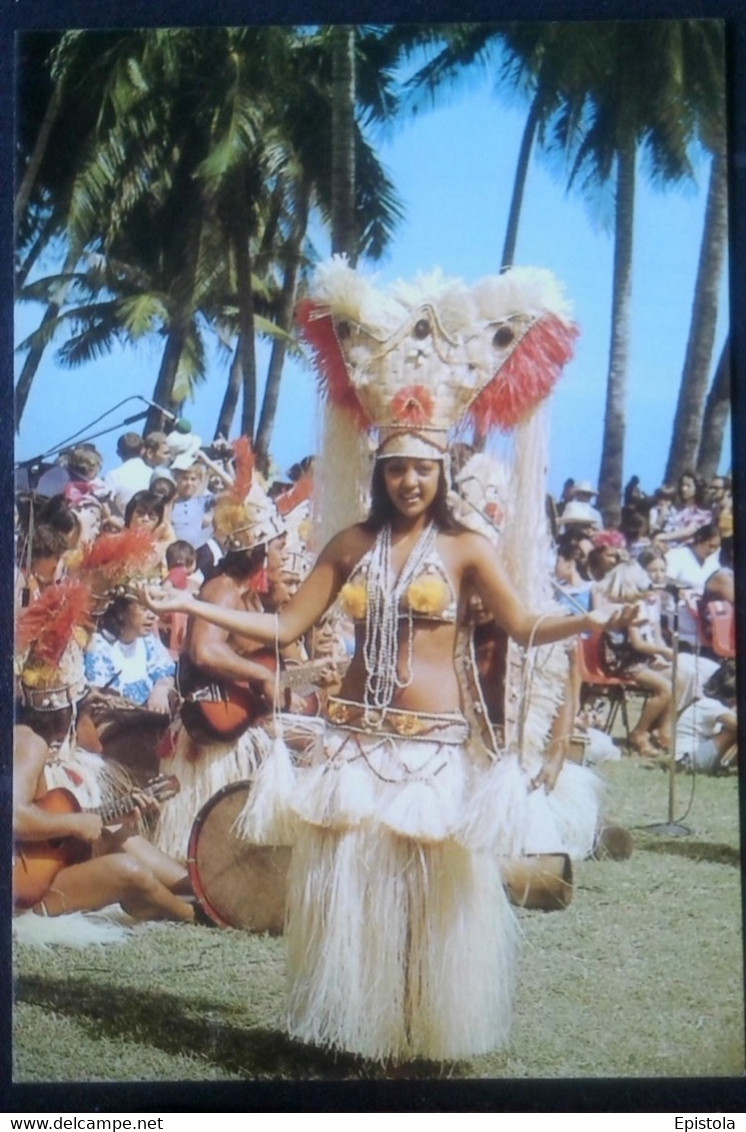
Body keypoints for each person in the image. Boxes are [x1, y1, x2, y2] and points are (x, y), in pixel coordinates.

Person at [143, 259, 635, 1063]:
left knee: (425, 899)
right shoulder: (350, 543)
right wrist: (192, 604)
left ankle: (419, 1028)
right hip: (351, 737)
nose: (410, 480)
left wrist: (591, 616)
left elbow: (519, 622)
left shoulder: (469, 547)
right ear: (380, 472)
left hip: (430, 743)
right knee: (353, 894)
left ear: (441, 472)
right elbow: (288, 621)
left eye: (423, 469)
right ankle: (359, 1030)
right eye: (398, 467)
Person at [84, 595, 176, 711]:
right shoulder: (100, 648)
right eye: (144, 608)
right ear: (122, 612)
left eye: (153, 608)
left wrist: (161, 688)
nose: (152, 616)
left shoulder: (148, 642)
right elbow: (103, 698)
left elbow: (165, 672)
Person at [675, 660, 737, 774]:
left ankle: (729, 764)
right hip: (686, 760)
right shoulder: (710, 705)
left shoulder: (707, 703)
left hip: (686, 758)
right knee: (733, 731)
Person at [105, 431, 171, 517]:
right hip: (150, 524)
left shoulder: (113, 475)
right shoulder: (153, 475)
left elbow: (105, 502)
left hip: (122, 526)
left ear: (118, 453)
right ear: (143, 451)